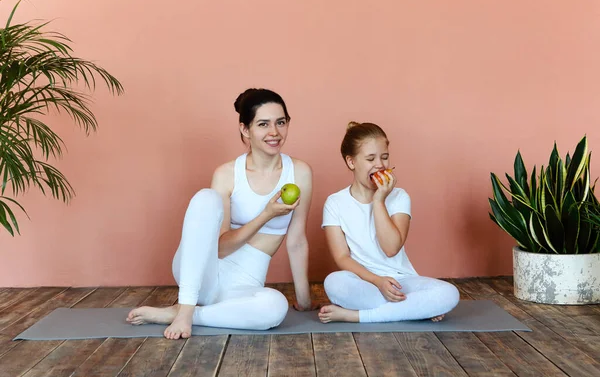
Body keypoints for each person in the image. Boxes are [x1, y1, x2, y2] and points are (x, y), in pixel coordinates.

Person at [127, 88, 315, 339]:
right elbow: (221, 249)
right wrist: (265, 215)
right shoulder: (227, 174)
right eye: (263, 124)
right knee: (206, 197)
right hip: (201, 271)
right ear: (245, 129)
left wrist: (304, 301)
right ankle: (186, 308)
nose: (274, 133)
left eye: (281, 122)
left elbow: (297, 240)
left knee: (275, 308)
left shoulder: (299, 172)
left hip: (244, 283)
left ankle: (185, 314)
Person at [318, 121, 459, 324]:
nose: (380, 165)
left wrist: (379, 200)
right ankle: (413, 309)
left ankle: (357, 316)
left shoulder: (400, 197)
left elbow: (391, 248)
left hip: (401, 281)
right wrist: (377, 281)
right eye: (370, 158)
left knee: (449, 294)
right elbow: (342, 258)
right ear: (351, 162)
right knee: (334, 282)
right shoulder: (335, 203)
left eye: (384, 157)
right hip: (363, 281)